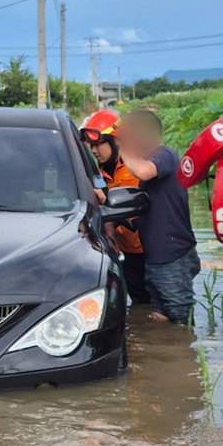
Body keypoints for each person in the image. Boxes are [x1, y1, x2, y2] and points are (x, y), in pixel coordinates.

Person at [113, 109, 200, 325]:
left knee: (180, 318)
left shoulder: (165, 156)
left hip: (171, 256)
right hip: (156, 258)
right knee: (160, 318)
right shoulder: (154, 163)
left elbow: (143, 171)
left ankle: (187, 347)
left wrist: (122, 147)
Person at [79, 109, 149, 307]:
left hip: (147, 250)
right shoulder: (98, 174)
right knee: (139, 304)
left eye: (98, 145)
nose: (94, 151)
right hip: (126, 250)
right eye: (91, 146)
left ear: (115, 141)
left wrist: (107, 202)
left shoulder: (136, 167)